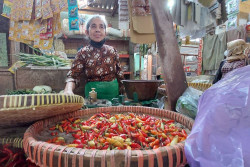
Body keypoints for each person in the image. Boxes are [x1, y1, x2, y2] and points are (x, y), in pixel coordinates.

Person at [64, 15, 125, 100]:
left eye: (101, 27)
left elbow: (120, 75)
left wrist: (124, 94)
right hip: (92, 99)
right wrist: (68, 90)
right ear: (87, 32)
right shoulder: (83, 53)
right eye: (93, 26)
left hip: (113, 97)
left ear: (105, 32)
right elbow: (73, 75)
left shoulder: (112, 51)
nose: (97, 30)